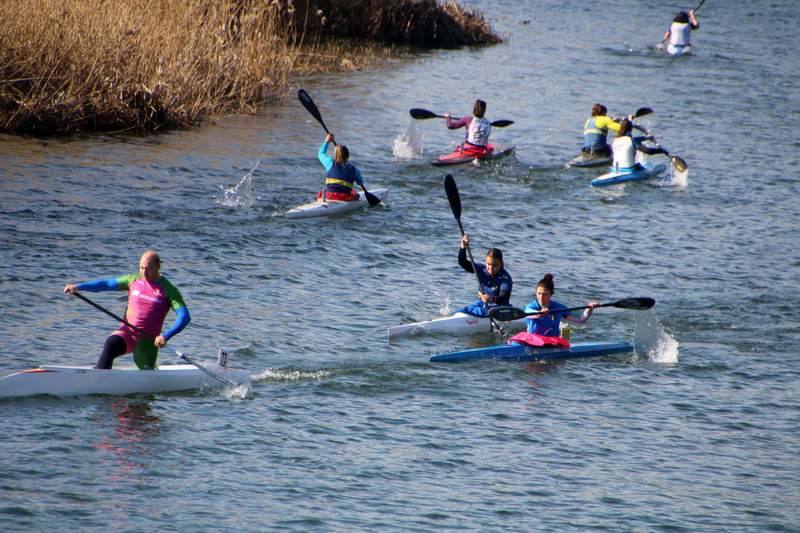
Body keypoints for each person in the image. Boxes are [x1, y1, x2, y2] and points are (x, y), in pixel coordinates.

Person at [63, 250, 190, 370]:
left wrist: (165, 336)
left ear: (158, 267)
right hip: (127, 333)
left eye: (148, 268)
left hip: (147, 340)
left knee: (146, 378)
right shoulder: (133, 280)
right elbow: (106, 284)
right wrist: (78, 287)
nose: (144, 272)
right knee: (111, 344)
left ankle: (151, 372)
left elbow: (184, 317)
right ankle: (99, 379)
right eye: (141, 268)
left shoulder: (169, 290)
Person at [523, 274, 597, 337]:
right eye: (539, 293)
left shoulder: (559, 307)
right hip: (533, 340)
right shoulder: (531, 306)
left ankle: (567, 348)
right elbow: (528, 313)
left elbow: (580, 320)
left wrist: (589, 309)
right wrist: (540, 314)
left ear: (551, 294)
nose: (541, 297)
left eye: (545, 294)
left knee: (566, 330)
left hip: (553, 341)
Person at [456, 234, 512, 317]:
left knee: (478, 311)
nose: (490, 268)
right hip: (483, 303)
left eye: (494, 265)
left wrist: (491, 299)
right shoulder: (481, 269)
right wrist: (463, 248)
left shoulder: (505, 278)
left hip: (500, 308)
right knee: (461, 311)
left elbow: (502, 298)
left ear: (501, 264)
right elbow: (462, 262)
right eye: (488, 264)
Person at [317, 133, 365, 201]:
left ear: (334, 154)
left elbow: (320, 154)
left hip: (329, 195)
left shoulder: (330, 163)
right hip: (344, 197)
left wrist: (327, 141)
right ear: (348, 155)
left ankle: (322, 201)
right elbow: (360, 182)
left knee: (323, 191)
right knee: (356, 194)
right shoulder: (354, 170)